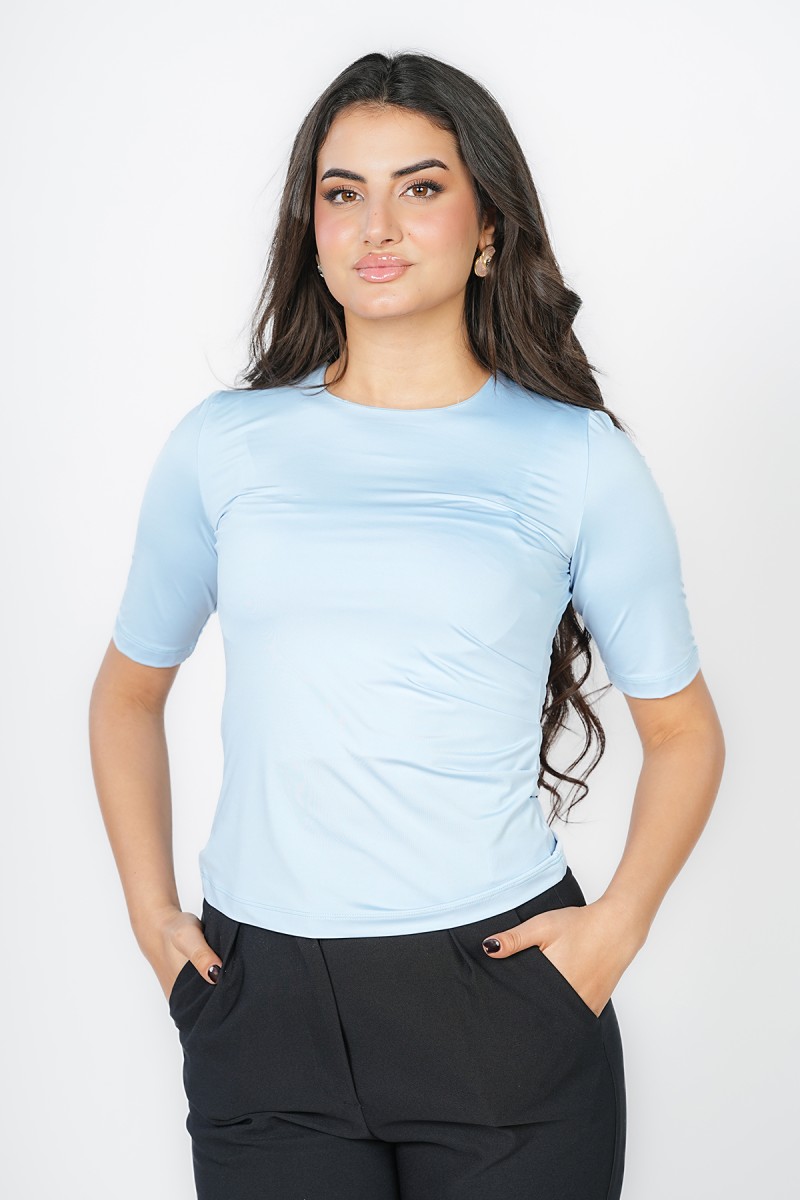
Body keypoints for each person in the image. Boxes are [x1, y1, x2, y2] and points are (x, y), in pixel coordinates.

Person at [88, 49, 725, 1200]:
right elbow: (128, 693)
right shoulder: (222, 445)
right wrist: (151, 916)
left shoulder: (575, 457)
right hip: (260, 1001)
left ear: (487, 228)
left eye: (420, 187)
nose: (375, 226)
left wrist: (613, 931)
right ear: (312, 228)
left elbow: (682, 732)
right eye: (343, 192)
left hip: (499, 993)